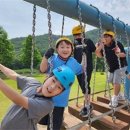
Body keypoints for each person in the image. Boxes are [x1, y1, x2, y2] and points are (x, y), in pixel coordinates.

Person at [0, 64, 75, 130]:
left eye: (59, 87)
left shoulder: (47, 105)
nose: (52, 87)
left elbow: (17, 99)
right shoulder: (32, 83)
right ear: (48, 77)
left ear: (60, 93)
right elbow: (13, 74)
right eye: (53, 80)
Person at [39, 37, 86, 130]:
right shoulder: (53, 58)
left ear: (72, 49)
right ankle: (59, 120)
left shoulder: (73, 62)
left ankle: (59, 121)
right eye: (62, 47)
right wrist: (45, 57)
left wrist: (85, 56)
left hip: (60, 100)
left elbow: (81, 70)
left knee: (54, 126)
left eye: (68, 47)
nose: (65, 49)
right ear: (57, 49)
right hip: (46, 96)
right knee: (42, 120)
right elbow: (42, 69)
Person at [95, 30, 127, 107]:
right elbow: (99, 55)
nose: (104, 38)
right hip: (112, 67)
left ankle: (114, 99)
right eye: (104, 37)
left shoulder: (117, 44)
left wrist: (118, 53)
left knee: (116, 81)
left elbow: (124, 55)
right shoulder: (103, 45)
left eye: (107, 37)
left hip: (121, 66)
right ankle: (119, 94)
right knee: (111, 81)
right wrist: (99, 47)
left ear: (111, 38)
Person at [72, 25, 96, 117]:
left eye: (79, 34)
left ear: (83, 33)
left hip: (87, 67)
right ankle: (87, 103)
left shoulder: (88, 41)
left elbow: (95, 51)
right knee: (82, 86)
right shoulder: (74, 43)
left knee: (85, 85)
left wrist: (100, 45)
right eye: (75, 35)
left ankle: (88, 105)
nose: (77, 36)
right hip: (77, 68)